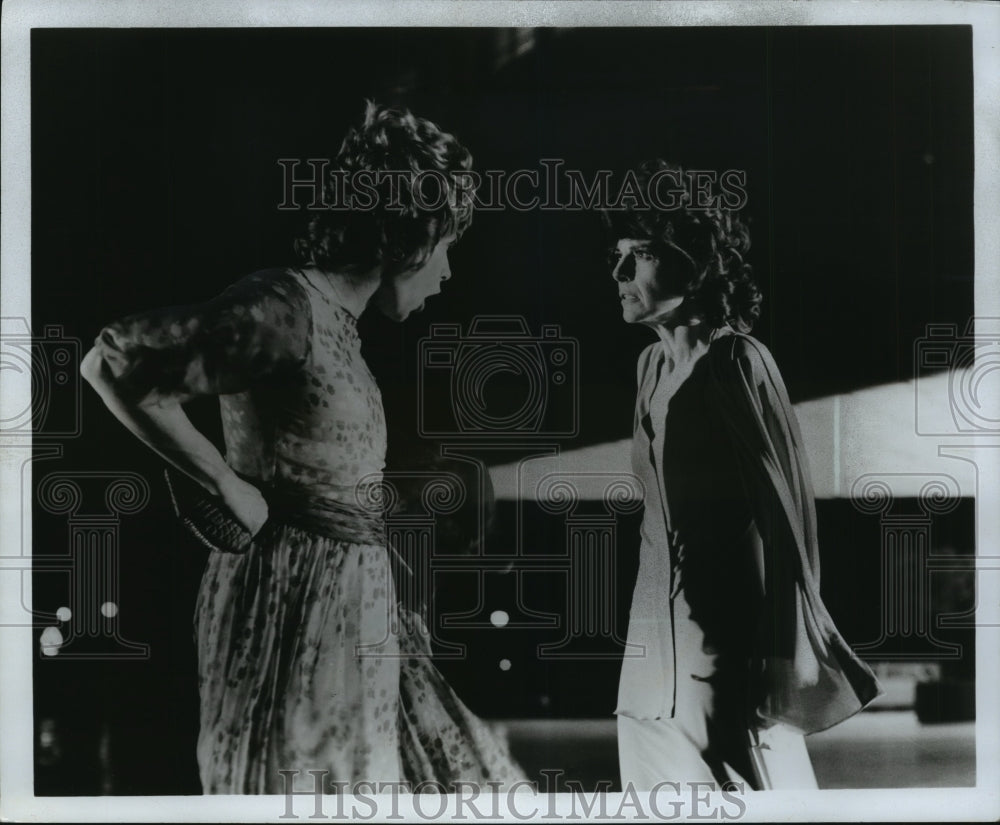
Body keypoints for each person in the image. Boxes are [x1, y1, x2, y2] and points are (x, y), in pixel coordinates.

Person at [80, 102, 525, 794]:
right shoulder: (285, 307)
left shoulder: (338, 324)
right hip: (294, 613)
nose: (445, 274)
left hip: (350, 617)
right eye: (445, 248)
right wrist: (226, 485)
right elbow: (111, 363)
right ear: (410, 233)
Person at [605, 160, 882, 791]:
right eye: (617, 254)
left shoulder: (738, 360)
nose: (618, 272)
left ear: (693, 261)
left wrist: (782, 658)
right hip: (647, 665)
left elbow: (789, 524)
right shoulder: (649, 367)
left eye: (640, 254)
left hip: (728, 663)